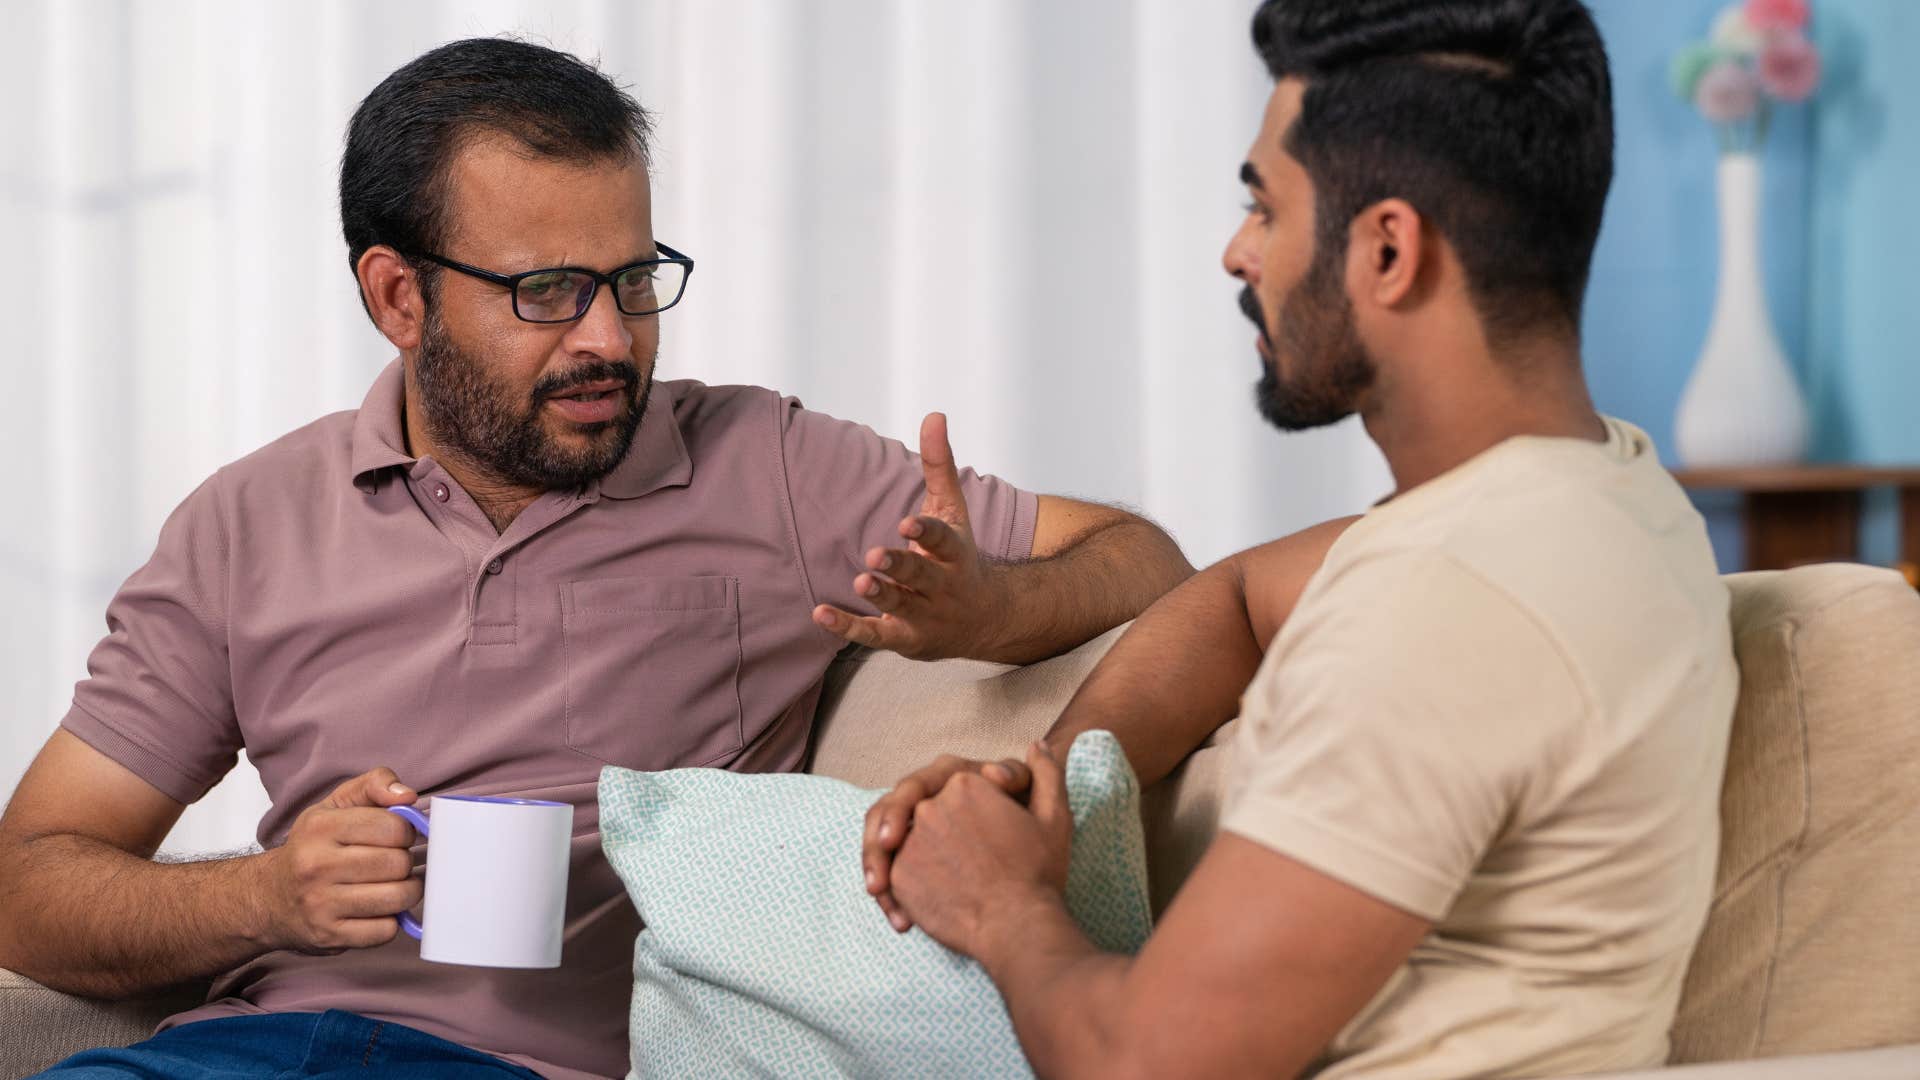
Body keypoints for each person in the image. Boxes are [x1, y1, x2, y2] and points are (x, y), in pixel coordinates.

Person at [0, 38, 1193, 1080]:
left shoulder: (769, 466)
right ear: (398, 297)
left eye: (632, 280)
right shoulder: (244, 524)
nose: (611, 339)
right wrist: (263, 898)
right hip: (241, 1052)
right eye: (550, 292)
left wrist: (993, 608)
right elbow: (28, 885)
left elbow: (1140, 557)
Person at [861, 1, 1740, 1076]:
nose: (1239, 253)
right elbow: (1238, 598)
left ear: (1387, 250)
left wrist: (1000, 901)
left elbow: (1141, 1064)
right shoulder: (1607, 491)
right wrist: (1048, 786)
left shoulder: (1448, 603)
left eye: (1265, 207)